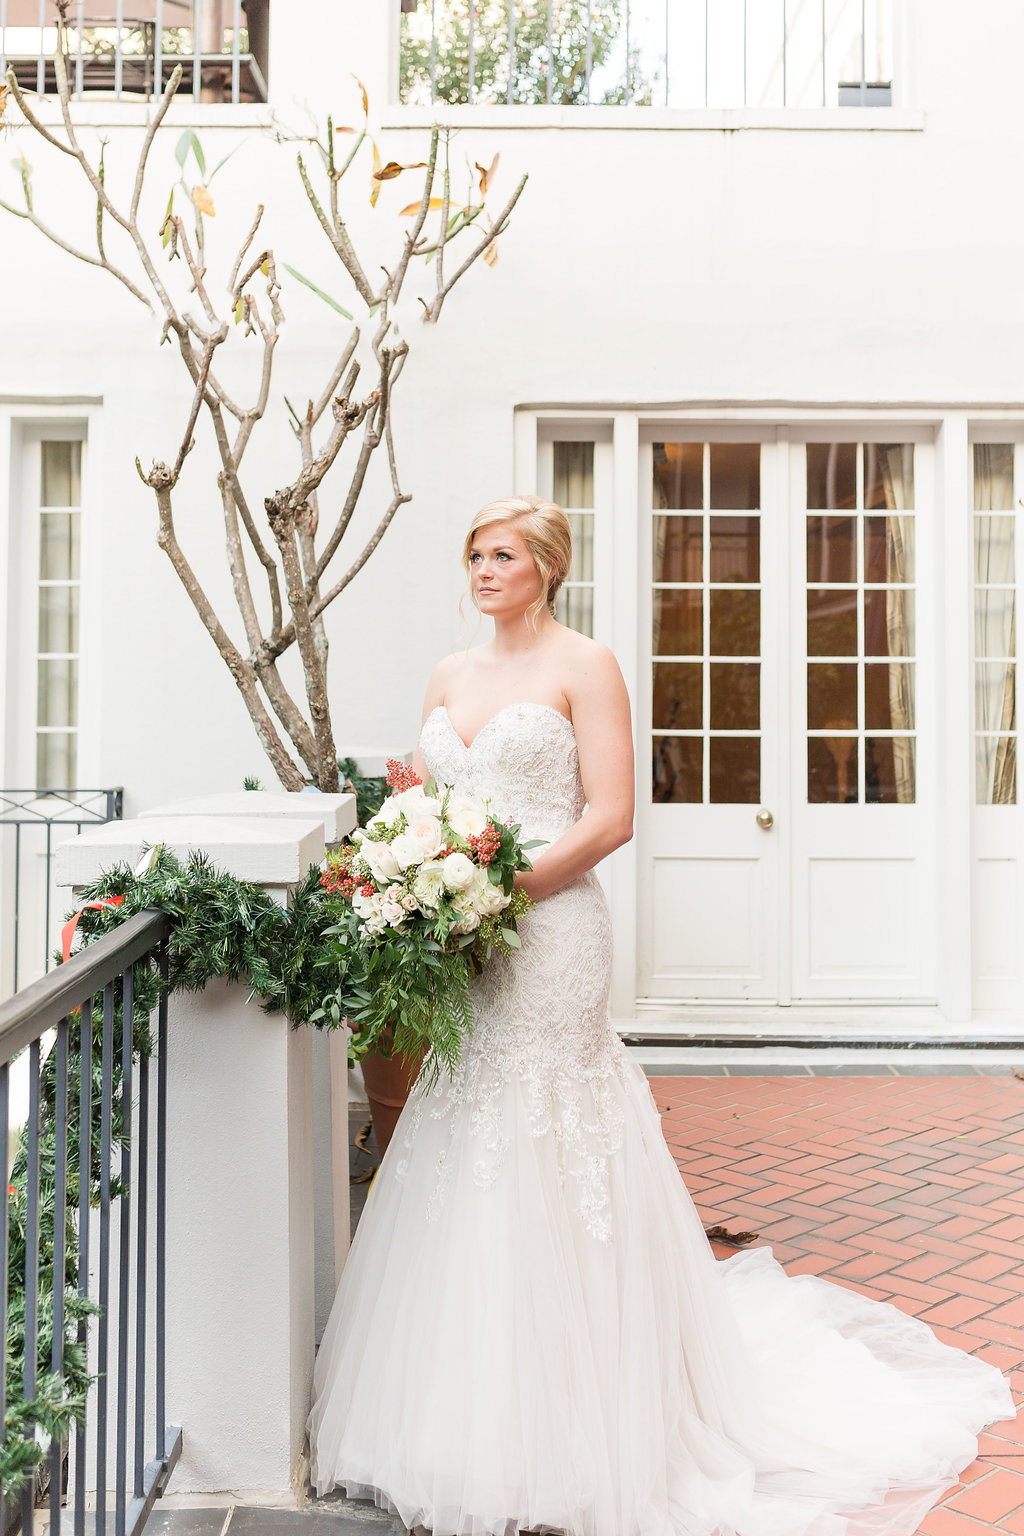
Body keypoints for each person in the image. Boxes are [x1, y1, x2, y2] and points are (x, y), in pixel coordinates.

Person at [307, 494, 1015, 1536]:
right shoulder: (449, 676)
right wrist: (421, 886)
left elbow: (610, 817)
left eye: (501, 555)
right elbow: (425, 805)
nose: (483, 571)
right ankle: (465, 1411)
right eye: (473, 556)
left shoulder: (584, 665)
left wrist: (494, 896)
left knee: (550, 1125)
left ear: (547, 565)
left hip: (548, 939)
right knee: (465, 1126)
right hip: (460, 942)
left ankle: (596, 1417)